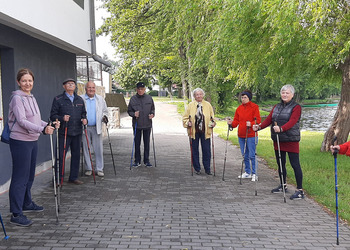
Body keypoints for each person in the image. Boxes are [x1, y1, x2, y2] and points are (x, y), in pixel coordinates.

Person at [8, 68, 59, 226]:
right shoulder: (17, 99)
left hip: (32, 140)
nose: (27, 83)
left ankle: (26, 203)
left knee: (29, 175)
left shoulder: (31, 97)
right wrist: (42, 129)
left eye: (30, 80)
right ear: (18, 82)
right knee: (20, 178)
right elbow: (22, 121)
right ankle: (16, 214)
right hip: (20, 141)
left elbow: (36, 121)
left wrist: (48, 125)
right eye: (24, 81)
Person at [252, 84, 304, 200]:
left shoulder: (296, 107)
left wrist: (281, 128)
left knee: (295, 165)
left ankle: (300, 190)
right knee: (281, 163)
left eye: (287, 93)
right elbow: (269, 119)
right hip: (278, 140)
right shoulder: (277, 106)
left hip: (291, 140)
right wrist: (259, 127)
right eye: (283, 93)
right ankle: (283, 185)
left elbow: (293, 121)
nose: (284, 95)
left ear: (292, 95)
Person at [50, 78, 87, 185]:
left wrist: (85, 119)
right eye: (68, 84)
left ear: (75, 86)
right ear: (64, 86)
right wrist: (62, 118)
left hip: (77, 132)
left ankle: (73, 177)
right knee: (61, 156)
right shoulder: (58, 99)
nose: (71, 85)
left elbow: (84, 113)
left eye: (72, 84)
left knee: (76, 155)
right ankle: (58, 179)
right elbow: (53, 115)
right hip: (64, 132)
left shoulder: (80, 100)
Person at [227, 90, 261, 181]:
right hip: (241, 134)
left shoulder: (254, 107)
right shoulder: (239, 108)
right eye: (242, 97)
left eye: (245, 97)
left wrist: (252, 123)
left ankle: (254, 173)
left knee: (252, 155)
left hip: (251, 134)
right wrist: (231, 124)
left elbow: (258, 120)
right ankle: (247, 172)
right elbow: (236, 121)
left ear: (249, 98)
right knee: (244, 154)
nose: (243, 99)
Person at [183, 88, 216, 175]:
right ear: (194, 96)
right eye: (197, 95)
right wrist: (188, 122)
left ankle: (207, 168)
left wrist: (213, 123)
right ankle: (197, 168)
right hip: (194, 131)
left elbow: (212, 117)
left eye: (200, 94)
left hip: (205, 131)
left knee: (206, 150)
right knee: (194, 150)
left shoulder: (208, 105)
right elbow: (185, 118)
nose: (199, 96)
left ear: (203, 95)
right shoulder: (190, 105)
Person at [80, 81, 109, 177]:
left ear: (95, 89)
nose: (91, 89)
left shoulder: (100, 99)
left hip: (97, 127)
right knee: (86, 148)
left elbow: (105, 111)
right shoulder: (81, 99)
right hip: (85, 128)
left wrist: (104, 117)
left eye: (93, 87)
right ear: (85, 89)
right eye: (89, 87)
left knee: (98, 149)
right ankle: (88, 168)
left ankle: (99, 168)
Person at [127, 82, 155, 167]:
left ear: (144, 89)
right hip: (137, 125)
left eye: (142, 89)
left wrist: (152, 114)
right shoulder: (133, 99)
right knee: (137, 143)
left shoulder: (149, 98)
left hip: (147, 124)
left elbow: (152, 109)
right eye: (138, 89)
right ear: (136, 89)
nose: (140, 90)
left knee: (147, 143)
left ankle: (146, 161)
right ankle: (137, 160)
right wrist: (133, 114)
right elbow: (129, 111)